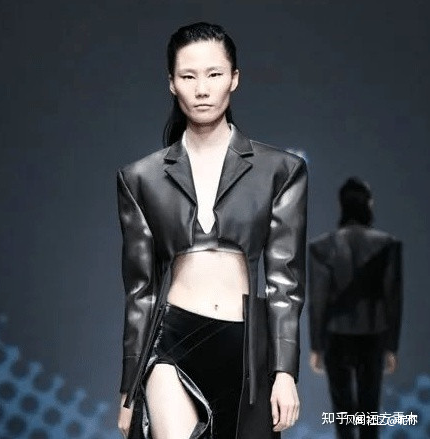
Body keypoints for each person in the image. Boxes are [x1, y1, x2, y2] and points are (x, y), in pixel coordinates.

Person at [116, 22, 307, 439]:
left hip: (247, 349)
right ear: (172, 84)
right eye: (188, 76)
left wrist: (285, 371)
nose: (201, 89)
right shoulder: (141, 178)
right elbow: (140, 292)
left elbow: (285, 280)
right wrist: (129, 388)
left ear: (234, 78)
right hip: (172, 343)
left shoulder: (281, 170)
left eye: (214, 74)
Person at [308, 177, 403, 439]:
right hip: (373, 333)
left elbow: (318, 299)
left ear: (342, 205)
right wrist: (391, 346)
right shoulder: (387, 245)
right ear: (368, 204)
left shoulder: (322, 247)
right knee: (369, 409)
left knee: (343, 412)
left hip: (336, 335)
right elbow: (393, 299)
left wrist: (316, 346)